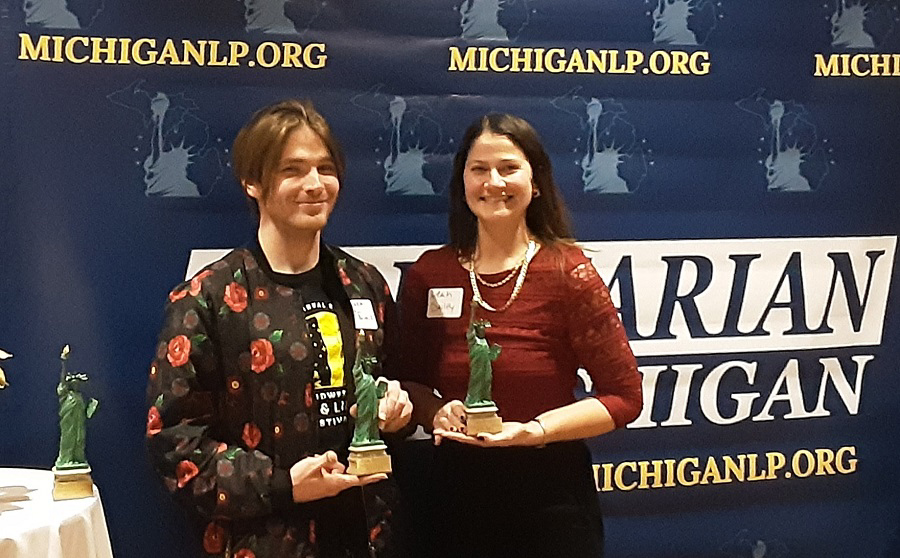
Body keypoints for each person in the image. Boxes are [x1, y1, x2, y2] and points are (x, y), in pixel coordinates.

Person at [146, 99, 413, 558]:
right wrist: (283, 484)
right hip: (265, 539)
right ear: (253, 182)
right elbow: (174, 444)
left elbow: (397, 383)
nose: (315, 185)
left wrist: (399, 411)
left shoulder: (365, 283)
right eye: (293, 170)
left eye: (325, 169)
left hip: (367, 534)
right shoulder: (208, 298)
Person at [391, 113, 642, 558]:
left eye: (509, 167)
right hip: (452, 496)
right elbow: (405, 383)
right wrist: (435, 413)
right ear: (462, 182)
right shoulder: (430, 273)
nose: (494, 182)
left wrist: (536, 431)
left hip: (550, 497)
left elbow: (624, 397)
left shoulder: (570, 271)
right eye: (479, 169)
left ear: (536, 181)